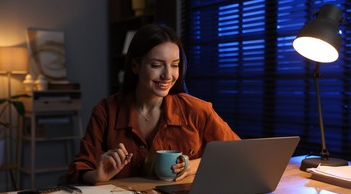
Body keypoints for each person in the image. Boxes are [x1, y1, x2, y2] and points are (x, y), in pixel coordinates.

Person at [66, 24, 240, 185]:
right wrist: (96, 175)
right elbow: (77, 171)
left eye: (175, 65)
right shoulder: (106, 112)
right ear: (135, 65)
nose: (168, 75)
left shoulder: (197, 110)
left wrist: (191, 166)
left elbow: (239, 154)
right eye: (157, 65)